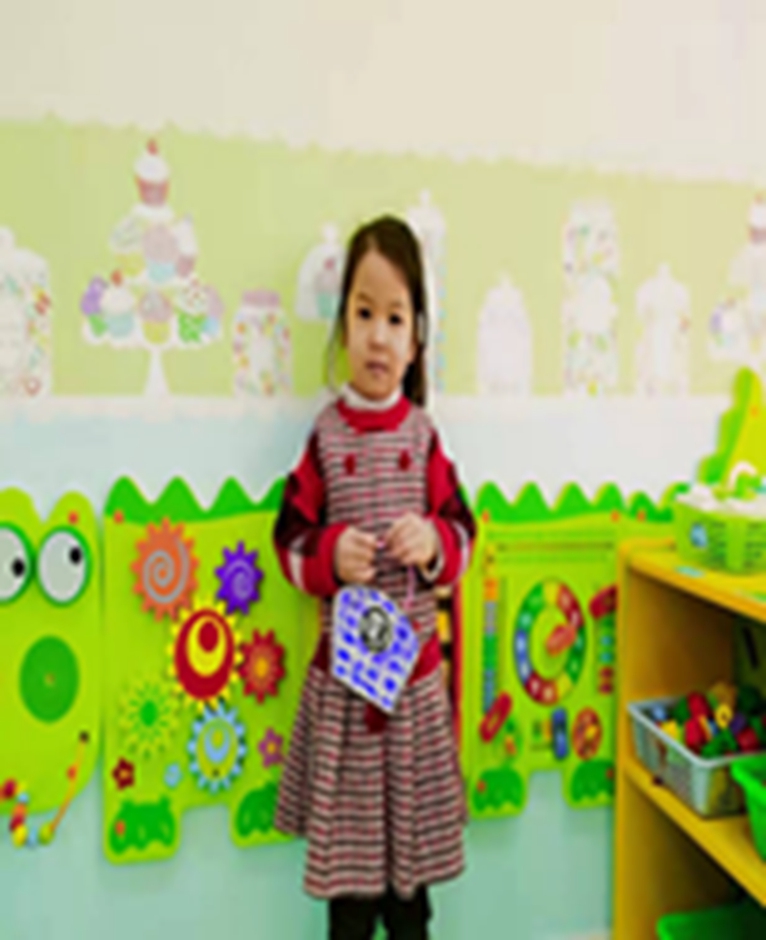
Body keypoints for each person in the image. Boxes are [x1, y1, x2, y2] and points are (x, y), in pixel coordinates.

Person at [273, 215, 476, 939]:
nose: (378, 337)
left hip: (413, 698)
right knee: (350, 898)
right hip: (347, 700)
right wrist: (329, 556)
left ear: (416, 337)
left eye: (395, 318)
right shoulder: (325, 439)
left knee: (410, 901)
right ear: (343, 326)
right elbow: (288, 540)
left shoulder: (424, 437)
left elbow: (464, 533)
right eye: (364, 315)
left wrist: (434, 542)